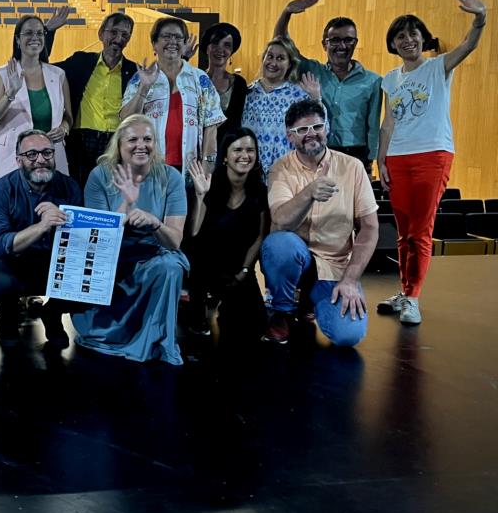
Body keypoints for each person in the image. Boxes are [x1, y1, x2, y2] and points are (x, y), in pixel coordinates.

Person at [377, 0, 488, 325]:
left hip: (432, 154)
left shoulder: (439, 66)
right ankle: (405, 290)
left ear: (423, 38)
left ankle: (413, 298)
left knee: (421, 231)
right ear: (392, 43)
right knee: (404, 231)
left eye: (413, 33)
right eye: (400, 35)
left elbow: (469, 44)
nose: (407, 39)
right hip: (397, 158)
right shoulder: (390, 79)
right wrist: (381, 161)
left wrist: (480, 17)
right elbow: (388, 122)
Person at [261, 99, 379, 347]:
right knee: (279, 244)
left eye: (317, 126)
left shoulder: (353, 167)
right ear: (289, 137)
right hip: (298, 259)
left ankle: (309, 301)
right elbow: (280, 222)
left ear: (327, 129)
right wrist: (309, 192)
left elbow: (369, 227)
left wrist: (350, 280)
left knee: (349, 335)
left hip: (334, 267)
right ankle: (283, 311)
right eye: (302, 130)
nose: (311, 134)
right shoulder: (280, 169)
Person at [73, 115, 189, 363]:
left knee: (170, 267)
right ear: (119, 144)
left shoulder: (171, 178)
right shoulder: (99, 176)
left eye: (148, 139)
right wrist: (126, 203)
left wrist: (154, 222)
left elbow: (174, 242)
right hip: (113, 257)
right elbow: (97, 239)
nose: (141, 145)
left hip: (154, 254)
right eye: (133, 139)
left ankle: (157, 340)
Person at [0, 129, 83, 348]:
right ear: (18, 160)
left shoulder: (70, 187)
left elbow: (81, 242)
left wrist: (62, 219)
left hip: (54, 261)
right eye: (31, 154)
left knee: (90, 275)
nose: (40, 160)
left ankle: (53, 312)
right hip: (14, 264)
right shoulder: (0, 190)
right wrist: (42, 226)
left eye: (47, 153)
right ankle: (9, 318)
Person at [274, 0, 383, 171]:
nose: (342, 45)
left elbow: (373, 125)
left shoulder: (373, 81)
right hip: (318, 150)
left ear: (356, 43)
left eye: (348, 40)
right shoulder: (311, 70)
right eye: (335, 40)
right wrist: (287, 13)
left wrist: (370, 163)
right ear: (324, 44)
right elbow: (281, 44)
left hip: (356, 154)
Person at [186, 127, 269, 338]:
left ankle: (224, 300)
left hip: (237, 269)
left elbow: (259, 237)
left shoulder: (260, 190)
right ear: (225, 156)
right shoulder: (210, 184)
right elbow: (194, 233)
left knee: (253, 327)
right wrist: (200, 195)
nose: (244, 155)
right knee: (197, 254)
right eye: (238, 150)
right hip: (206, 265)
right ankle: (198, 309)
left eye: (250, 150)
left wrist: (244, 272)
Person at [47, 13, 142, 186]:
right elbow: (45, 67)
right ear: (101, 34)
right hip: (81, 140)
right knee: (78, 190)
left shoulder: (135, 71)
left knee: (109, 193)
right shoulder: (80, 61)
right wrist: (49, 32)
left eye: (125, 35)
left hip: (115, 142)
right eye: (113, 32)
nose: (118, 39)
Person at [121, 17, 224, 174]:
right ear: (154, 44)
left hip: (190, 171)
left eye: (178, 37)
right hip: (149, 168)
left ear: (184, 44)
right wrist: (144, 88)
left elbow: (210, 130)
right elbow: (126, 121)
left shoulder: (200, 79)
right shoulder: (140, 78)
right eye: (166, 36)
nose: (172, 41)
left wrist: (206, 172)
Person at [0, 15, 74, 180]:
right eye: (29, 33)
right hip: (9, 164)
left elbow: (68, 117)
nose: (35, 38)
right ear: (18, 39)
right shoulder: (2, 74)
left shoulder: (58, 75)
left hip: (48, 163)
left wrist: (63, 129)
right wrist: (10, 93)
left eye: (40, 33)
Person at [241, 37, 323, 177]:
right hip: (251, 174)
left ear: (290, 64)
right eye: (270, 56)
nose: (273, 62)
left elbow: (320, 131)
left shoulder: (298, 95)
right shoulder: (248, 92)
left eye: (280, 58)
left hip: (287, 174)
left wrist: (316, 98)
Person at [198, 22, 248, 140]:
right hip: (198, 148)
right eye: (215, 43)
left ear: (231, 51)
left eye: (227, 45)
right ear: (207, 48)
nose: (220, 49)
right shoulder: (196, 79)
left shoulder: (239, 83)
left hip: (229, 150)